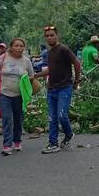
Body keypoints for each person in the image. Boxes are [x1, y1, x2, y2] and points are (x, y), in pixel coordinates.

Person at [40, 25, 81, 154]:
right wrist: (35, 75)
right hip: (51, 89)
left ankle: (69, 134)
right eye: (47, 36)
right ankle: (53, 143)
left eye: (52, 35)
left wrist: (77, 81)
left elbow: (77, 63)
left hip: (64, 87)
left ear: (57, 35)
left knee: (62, 115)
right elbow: (50, 70)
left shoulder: (63, 49)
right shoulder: (49, 53)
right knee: (52, 117)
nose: (49, 38)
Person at [0, 38, 34, 155]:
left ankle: (17, 141)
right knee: (7, 118)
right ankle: (7, 145)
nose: (19, 48)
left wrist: (25, 79)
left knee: (18, 119)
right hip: (4, 94)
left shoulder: (26, 61)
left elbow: (32, 76)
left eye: (21, 46)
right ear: (11, 47)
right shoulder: (3, 58)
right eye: (16, 46)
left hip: (19, 95)